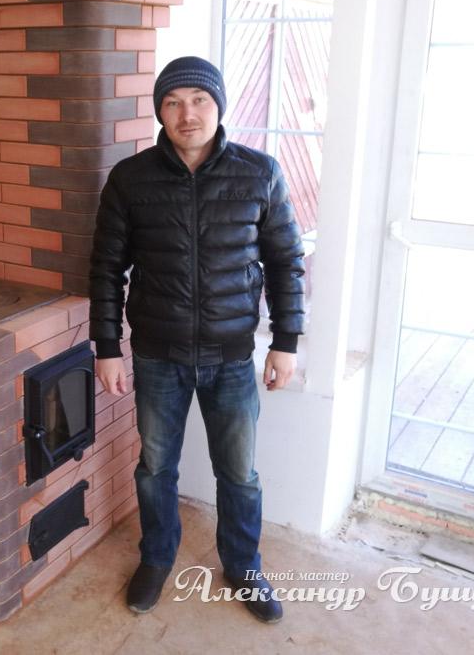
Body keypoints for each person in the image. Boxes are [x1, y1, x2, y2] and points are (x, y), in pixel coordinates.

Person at [88, 56, 306, 623]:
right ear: (160, 112)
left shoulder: (260, 173)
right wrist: (107, 348)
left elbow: (286, 262)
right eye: (173, 102)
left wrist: (286, 340)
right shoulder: (130, 179)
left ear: (218, 106)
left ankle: (243, 566)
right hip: (157, 355)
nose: (188, 114)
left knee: (239, 474)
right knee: (156, 468)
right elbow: (106, 269)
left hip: (231, 357)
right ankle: (157, 557)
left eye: (199, 100)